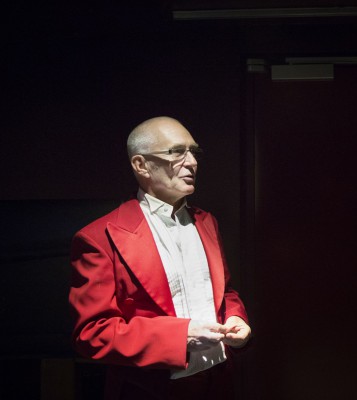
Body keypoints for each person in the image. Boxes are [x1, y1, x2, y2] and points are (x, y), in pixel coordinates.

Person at [69, 116, 251, 400]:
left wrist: (236, 317)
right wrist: (181, 336)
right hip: (151, 390)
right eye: (177, 152)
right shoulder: (98, 237)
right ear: (141, 165)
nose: (192, 162)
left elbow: (224, 292)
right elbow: (93, 333)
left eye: (194, 152)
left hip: (220, 382)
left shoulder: (207, 222)